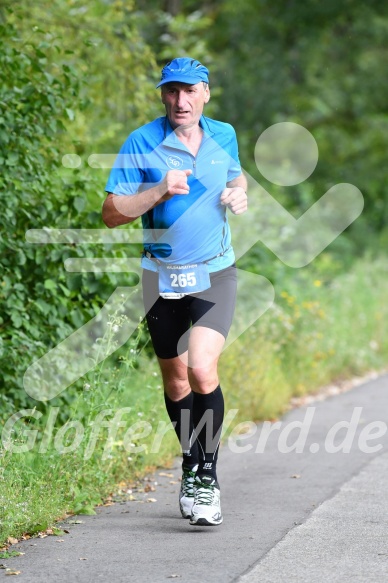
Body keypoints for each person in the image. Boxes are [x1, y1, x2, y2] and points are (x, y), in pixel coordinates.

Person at [102, 57, 247, 526]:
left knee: (202, 368)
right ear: (162, 94)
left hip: (214, 272)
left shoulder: (223, 134)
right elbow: (111, 213)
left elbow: (235, 177)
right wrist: (158, 192)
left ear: (206, 92)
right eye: (171, 92)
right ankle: (190, 463)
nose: (180, 101)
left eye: (189, 91)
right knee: (176, 381)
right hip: (160, 276)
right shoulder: (141, 142)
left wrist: (239, 192)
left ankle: (206, 476)